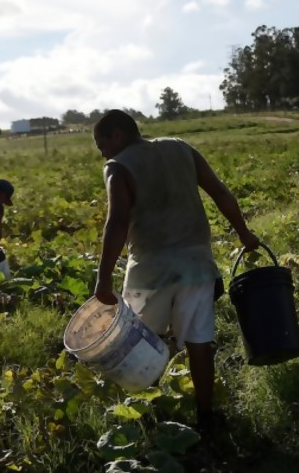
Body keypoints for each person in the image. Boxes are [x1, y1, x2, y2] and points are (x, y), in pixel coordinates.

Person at [91, 109, 260, 435]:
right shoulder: (181, 148)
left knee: (141, 344)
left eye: (101, 143)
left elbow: (116, 222)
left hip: (150, 271)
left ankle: (148, 417)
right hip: (196, 264)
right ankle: (206, 415)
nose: (101, 151)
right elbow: (221, 192)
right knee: (199, 341)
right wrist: (244, 233)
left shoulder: (118, 166)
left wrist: (103, 278)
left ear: (117, 135)